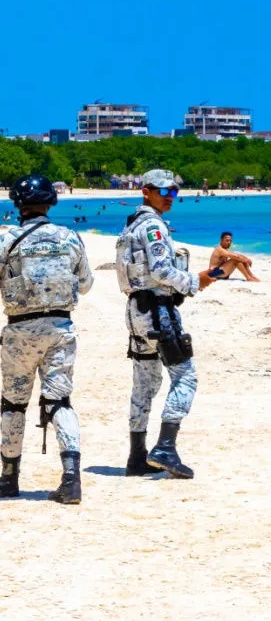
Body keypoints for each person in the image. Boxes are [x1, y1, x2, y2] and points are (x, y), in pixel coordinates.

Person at [115, 169, 218, 479]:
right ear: (146, 191)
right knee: (185, 378)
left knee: (144, 384)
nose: (171, 197)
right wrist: (191, 282)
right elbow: (161, 271)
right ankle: (165, 447)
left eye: (174, 192)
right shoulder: (153, 227)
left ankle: (137, 457)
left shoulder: (131, 225)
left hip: (136, 311)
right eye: (164, 191)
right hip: (158, 313)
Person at [0, 175, 93, 504]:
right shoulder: (69, 238)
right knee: (60, 403)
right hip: (60, 329)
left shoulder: (8, 239)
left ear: (18, 204)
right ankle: (71, 479)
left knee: (13, 405)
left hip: (20, 332)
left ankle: (9, 478)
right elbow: (85, 285)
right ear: (50, 203)